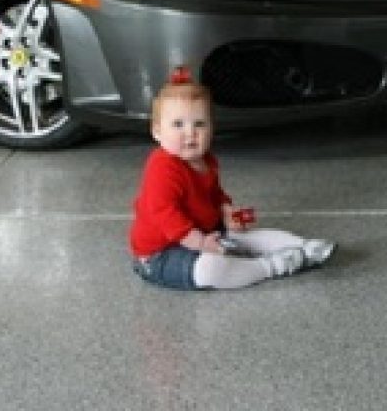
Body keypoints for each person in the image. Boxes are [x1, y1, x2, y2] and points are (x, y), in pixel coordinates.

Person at [129, 66, 335, 290]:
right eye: (178, 124)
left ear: (212, 129)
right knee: (210, 270)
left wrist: (226, 211)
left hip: (204, 231)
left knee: (248, 238)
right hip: (162, 252)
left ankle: (305, 248)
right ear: (157, 131)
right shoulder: (162, 168)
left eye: (200, 124)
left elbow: (214, 194)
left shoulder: (206, 160)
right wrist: (199, 243)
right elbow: (165, 214)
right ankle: (268, 267)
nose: (190, 133)